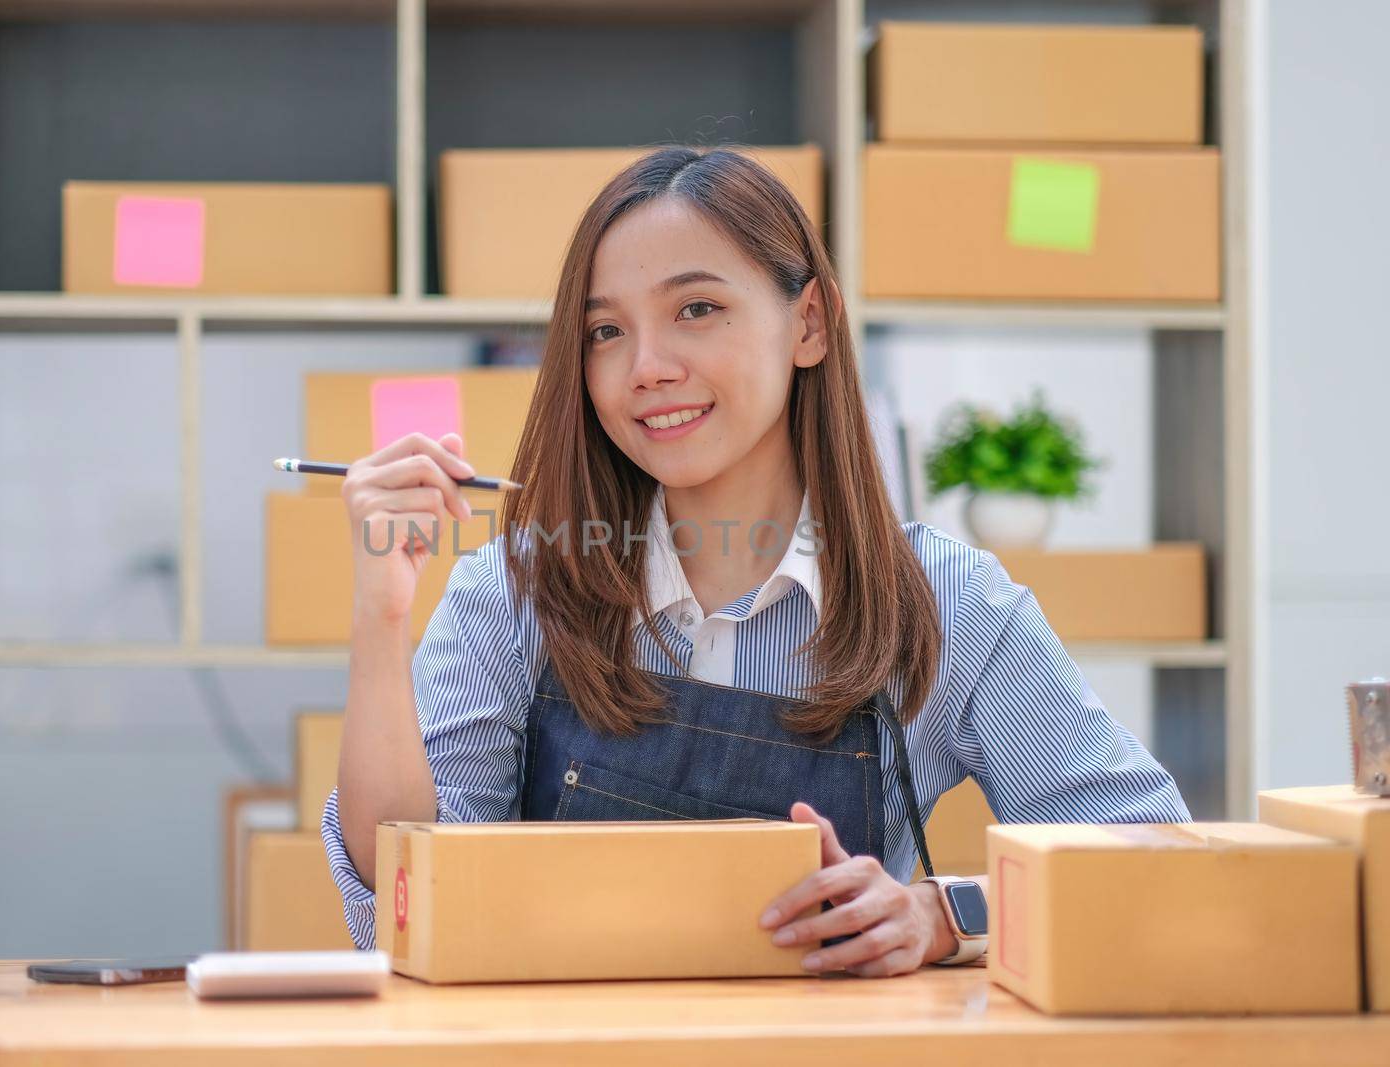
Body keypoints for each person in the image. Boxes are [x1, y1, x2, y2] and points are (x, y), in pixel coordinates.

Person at [322, 146, 1190, 976]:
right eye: (605, 330)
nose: (646, 367)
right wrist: (381, 614)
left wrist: (943, 914)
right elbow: (407, 887)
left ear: (809, 322)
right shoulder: (518, 587)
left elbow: (1146, 854)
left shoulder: (945, 601)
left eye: (696, 309)